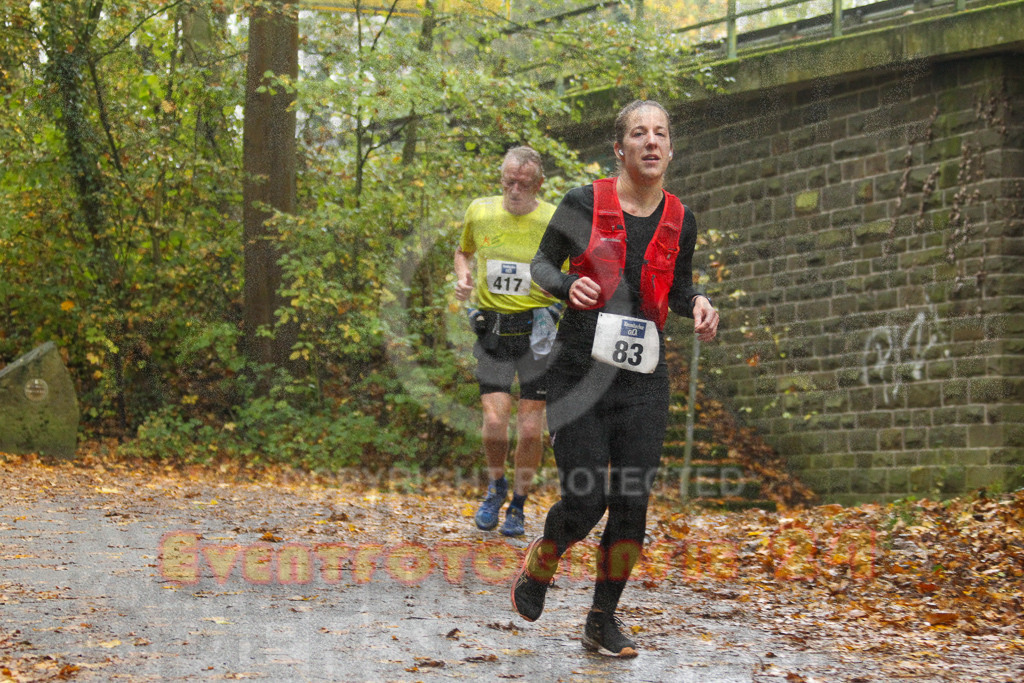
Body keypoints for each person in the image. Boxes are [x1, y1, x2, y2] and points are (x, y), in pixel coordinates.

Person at [510, 100, 719, 657]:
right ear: (620, 148)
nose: (651, 142)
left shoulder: (681, 218)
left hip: (643, 379)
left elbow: (677, 288)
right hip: (578, 373)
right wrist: (564, 286)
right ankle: (546, 556)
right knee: (588, 498)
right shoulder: (582, 203)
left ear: (670, 149)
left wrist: (697, 302)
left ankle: (602, 619)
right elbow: (540, 265)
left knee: (632, 502)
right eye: (638, 134)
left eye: (661, 134)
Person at [454, 146, 562, 537]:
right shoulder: (480, 211)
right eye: (508, 182)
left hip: (539, 328)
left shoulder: (554, 220)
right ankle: (495, 485)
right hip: (494, 328)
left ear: (539, 184)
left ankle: (518, 503)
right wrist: (463, 277)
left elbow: (575, 269)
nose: (515, 190)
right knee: (496, 420)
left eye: (524, 183)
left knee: (531, 429)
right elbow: (463, 252)